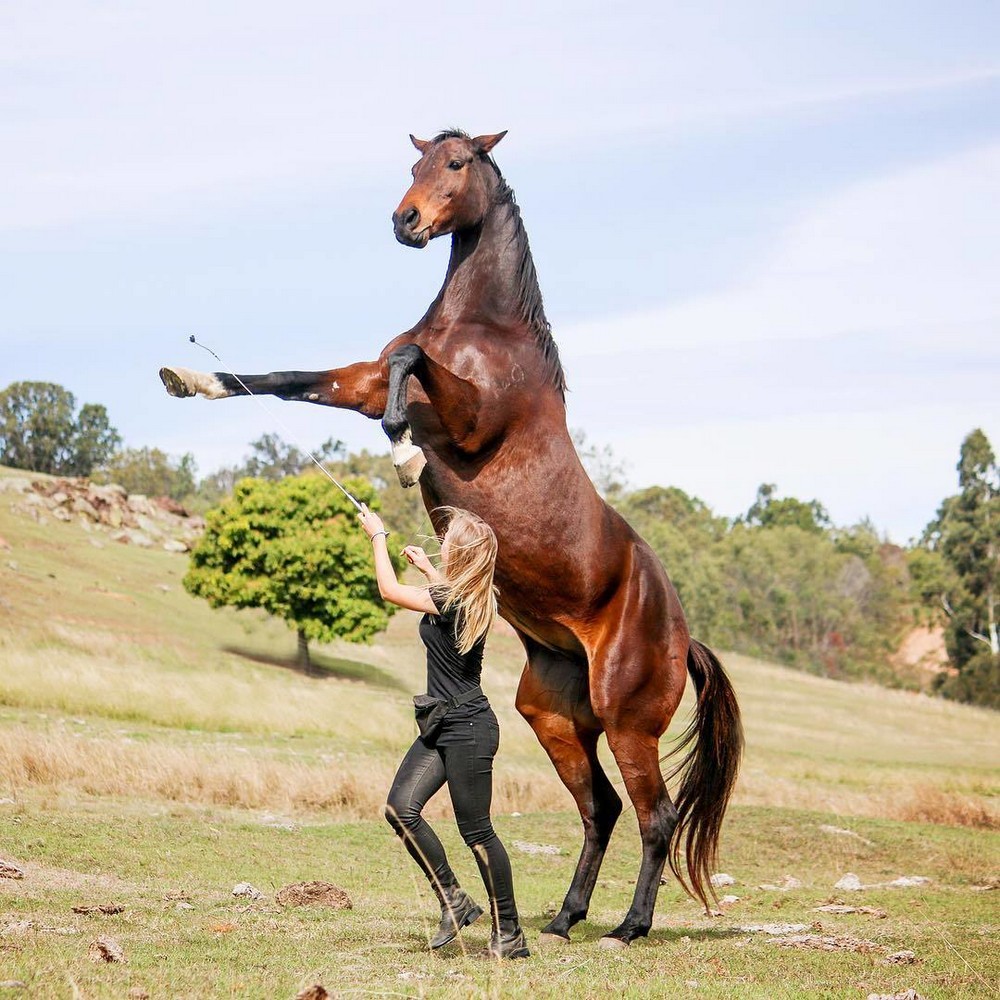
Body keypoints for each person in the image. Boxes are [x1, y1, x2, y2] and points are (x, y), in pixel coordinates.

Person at [357, 503, 530, 960]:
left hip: (469, 729)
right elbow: (448, 593)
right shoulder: (473, 595)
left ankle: (509, 932)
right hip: (442, 721)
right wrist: (429, 566)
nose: (443, 542)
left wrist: (378, 537)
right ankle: (453, 898)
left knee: (478, 833)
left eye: (449, 543)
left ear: (464, 555)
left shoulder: (454, 600)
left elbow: (389, 591)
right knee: (400, 809)